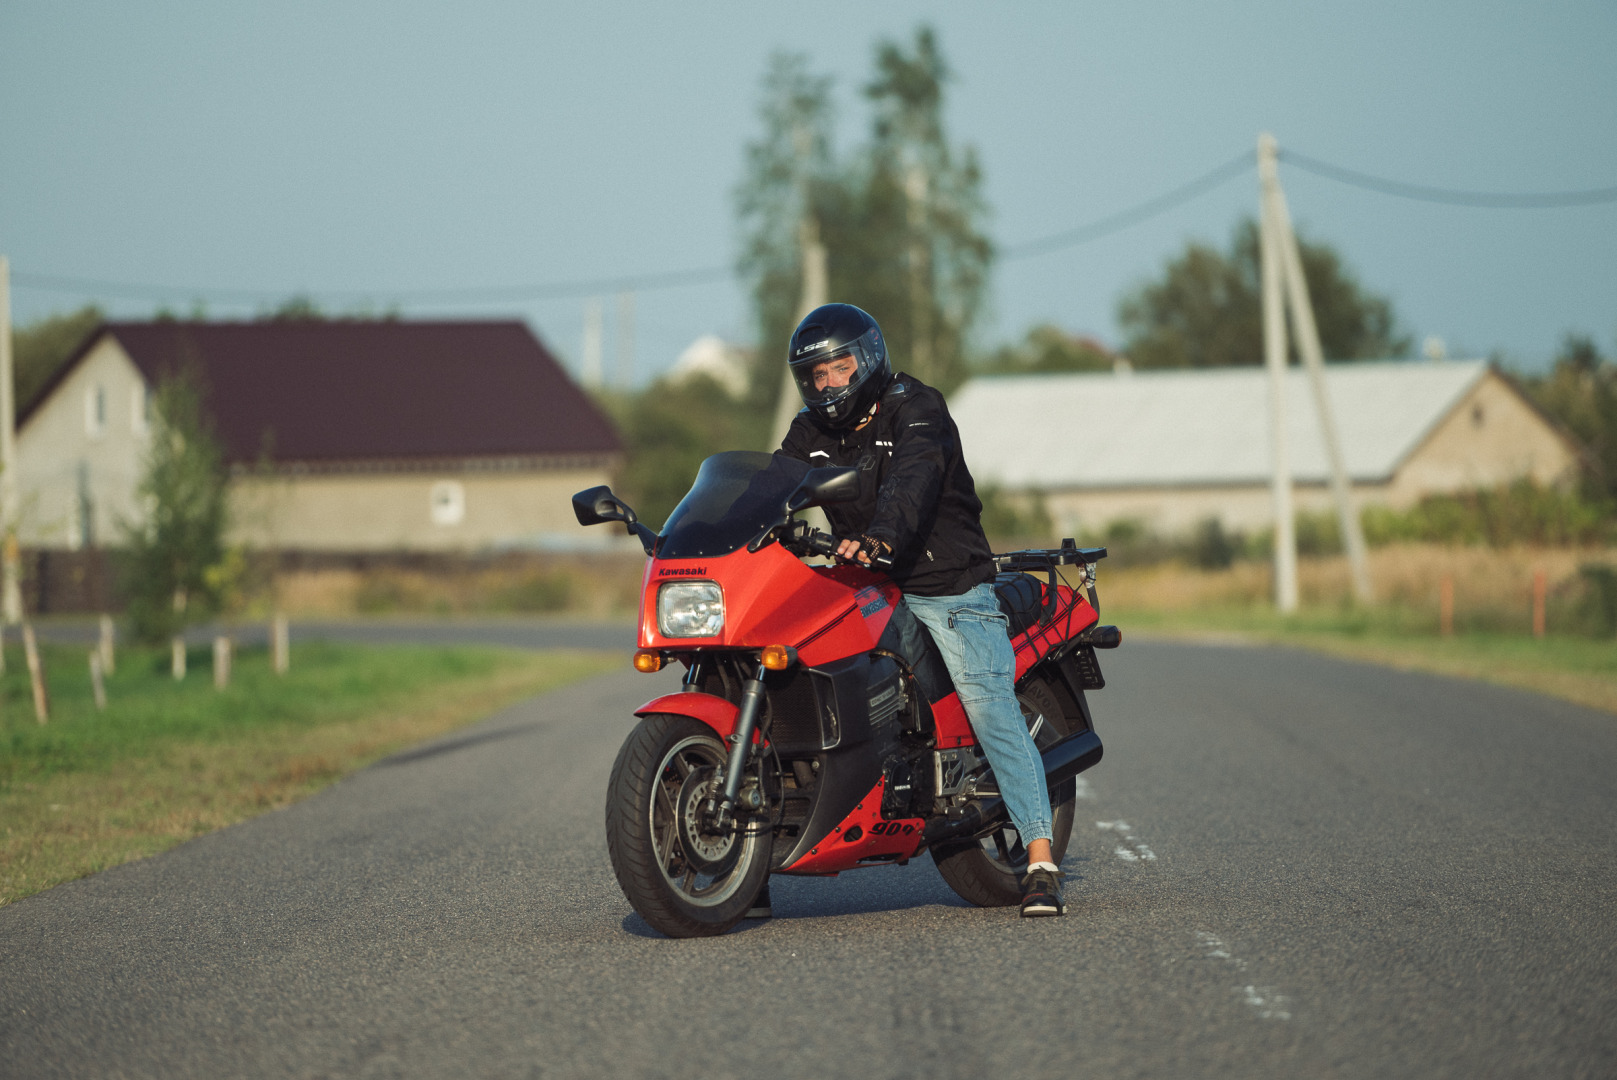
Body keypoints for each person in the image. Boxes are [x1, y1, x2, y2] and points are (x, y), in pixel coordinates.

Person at [775, 302, 1064, 917]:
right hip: (860, 580)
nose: (826, 385)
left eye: (837, 368)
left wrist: (881, 536)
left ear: (869, 358)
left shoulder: (918, 408)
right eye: (814, 375)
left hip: (945, 583)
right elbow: (770, 486)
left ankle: (1039, 859)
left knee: (988, 702)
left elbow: (914, 480)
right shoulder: (813, 431)